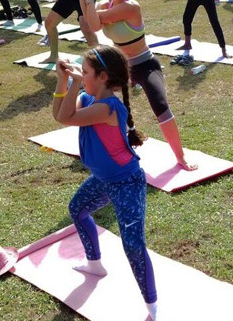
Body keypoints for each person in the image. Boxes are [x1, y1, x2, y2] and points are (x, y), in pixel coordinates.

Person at [52, 46, 159, 320]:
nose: (82, 75)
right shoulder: (88, 98)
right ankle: (95, 264)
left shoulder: (109, 107)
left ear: (102, 76)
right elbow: (59, 114)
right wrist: (63, 81)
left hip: (127, 183)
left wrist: (73, 82)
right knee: (77, 209)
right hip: (102, 179)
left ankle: (152, 306)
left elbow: (67, 117)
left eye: (85, 72)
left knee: (133, 244)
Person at [78, 0, 196, 170]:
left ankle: (180, 156)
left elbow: (94, 22)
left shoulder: (130, 7)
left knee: (160, 105)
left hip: (145, 64)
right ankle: (106, 149)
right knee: (93, 96)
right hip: (121, 67)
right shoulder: (104, 5)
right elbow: (91, 22)